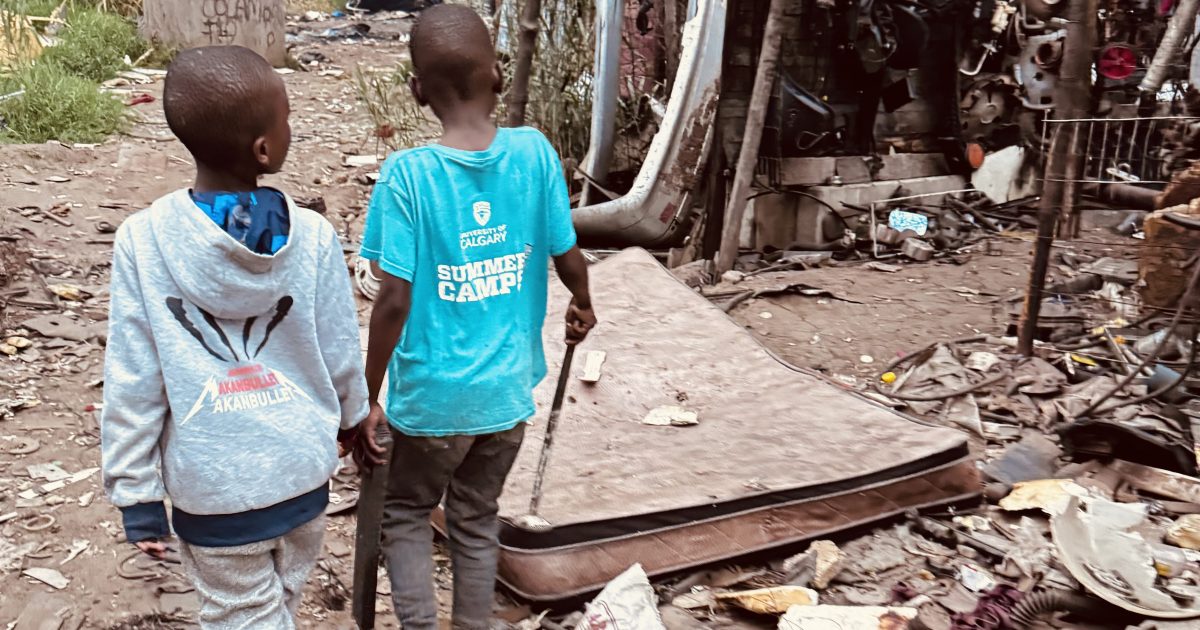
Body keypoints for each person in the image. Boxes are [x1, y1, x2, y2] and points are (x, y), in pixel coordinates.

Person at [100, 45, 369, 629]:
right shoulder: (314, 238)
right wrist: (353, 419)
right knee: (277, 604)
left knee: (244, 614)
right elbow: (340, 349)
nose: (292, 127)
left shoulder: (144, 241)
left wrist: (136, 492)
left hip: (215, 494)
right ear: (264, 149)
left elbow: (133, 377)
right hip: (302, 477)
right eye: (287, 118)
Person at [356, 5, 596, 629]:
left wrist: (366, 395)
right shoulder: (535, 153)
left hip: (431, 401)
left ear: (416, 91)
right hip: (506, 394)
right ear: (497, 74)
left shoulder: (408, 176)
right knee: (475, 515)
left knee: (407, 512)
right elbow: (566, 250)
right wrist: (582, 301)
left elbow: (393, 299)